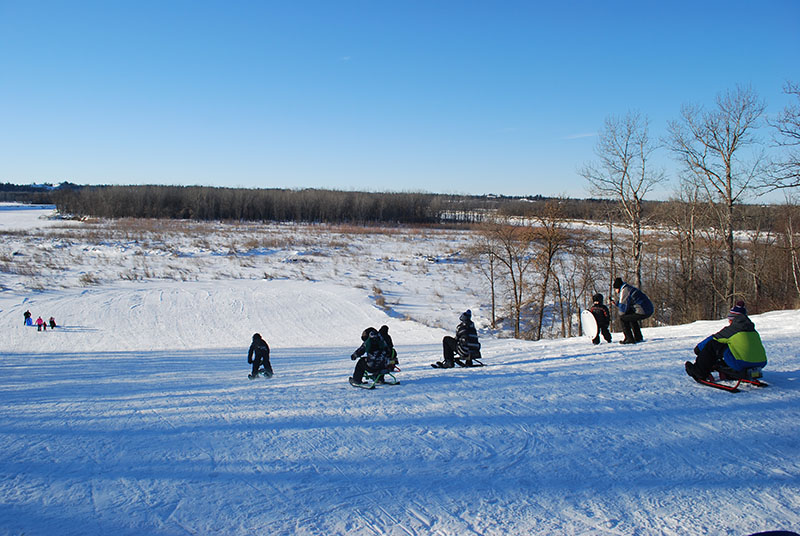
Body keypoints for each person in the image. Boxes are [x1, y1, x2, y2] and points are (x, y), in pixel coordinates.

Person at [685, 301, 767, 382]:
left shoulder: (732, 329)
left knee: (713, 345)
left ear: (733, 319)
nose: (729, 321)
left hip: (741, 364)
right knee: (729, 346)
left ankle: (699, 372)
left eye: (729, 319)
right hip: (761, 364)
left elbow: (713, 339)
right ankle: (727, 371)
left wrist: (698, 349)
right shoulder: (753, 330)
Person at [610, 277, 653, 344]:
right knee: (631, 317)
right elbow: (627, 304)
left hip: (643, 310)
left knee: (623, 318)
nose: (615, 291)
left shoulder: (625, 291)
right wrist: (617, 304)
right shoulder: (628, 288)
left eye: (615, 289)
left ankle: (629, 338)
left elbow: (623, 309)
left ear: (618, 287)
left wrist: (621, 313)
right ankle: (638, 337)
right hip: (647, 309)